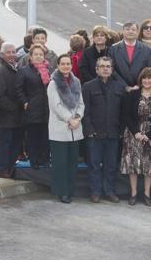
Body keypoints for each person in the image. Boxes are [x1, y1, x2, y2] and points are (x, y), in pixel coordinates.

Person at [82, 56, 127, 204]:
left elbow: (123, 111)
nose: (105, 68)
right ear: (97, 69)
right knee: (94, 164)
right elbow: (85, 111)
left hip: (113, 133)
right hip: (95, 133)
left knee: (111, 165)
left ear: (112, 69)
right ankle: (95, 192)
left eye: (108, 66)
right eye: (102, 66)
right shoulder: (88, 86)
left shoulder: (120, 86)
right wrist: (89, 130)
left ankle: (110, 191)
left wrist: (121, 130)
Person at [121, 67, 151, 206]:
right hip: (133, 133)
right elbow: (126, 115)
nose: (146, 80)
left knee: (149, 165)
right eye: (144, 78)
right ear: (141, 80)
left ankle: (147, 194)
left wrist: (149, 135)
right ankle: (133, 193)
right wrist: (136, 132)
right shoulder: (133, 95)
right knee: (132, 164)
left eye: (149, 78)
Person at [47, 54, 85, 204]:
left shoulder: (76, 82)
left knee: (71, 163)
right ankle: (61, 191)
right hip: (60, 128)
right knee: (60, 163)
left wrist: (77, 118)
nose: (65, 66)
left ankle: (70, 190)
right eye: (62, 64)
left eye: (68, 63)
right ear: (57, 66)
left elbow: (81, 103)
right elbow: (56, 106)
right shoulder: (53, 84)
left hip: (75, 128)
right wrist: (70, 119)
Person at [16, 44, 51, 170]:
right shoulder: (24, 71)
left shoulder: (48, 70)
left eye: (40, 54)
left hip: (46, 109)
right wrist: (25, 102)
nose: (38, 56)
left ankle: (45, 160)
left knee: (45, 136)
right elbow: (18, 89)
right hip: (31, 109)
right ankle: (34, 160)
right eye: (35, 54)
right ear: (30, 56)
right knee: (32, 137)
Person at [0, 42, 23, 178]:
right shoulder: (0, 71)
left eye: (13, 52)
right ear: (2, 54)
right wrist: (14, 108)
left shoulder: (15, 68)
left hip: (15, 117)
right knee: (4, 144)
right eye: (8, 52)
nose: (11, 55)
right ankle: (2, 169)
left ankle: (9, 168)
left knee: (14, 143)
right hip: (5, 116)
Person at [108, 22, 151, 90]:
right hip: (118, 89)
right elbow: (111, 70)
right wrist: (125, 87)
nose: (130, 32)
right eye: (127, 29)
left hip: (140, 89)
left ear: (137, 32)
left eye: (133, 29)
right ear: (123, 31)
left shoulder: (146, 50)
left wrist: (139, 85)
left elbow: (149, 70)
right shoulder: (113, 49)